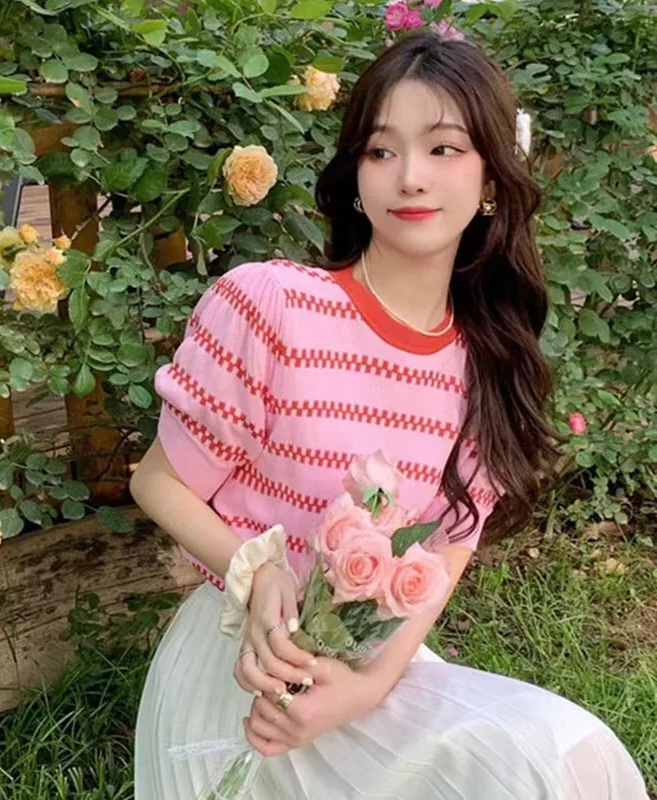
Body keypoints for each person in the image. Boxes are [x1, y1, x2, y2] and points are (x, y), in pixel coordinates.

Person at [131, 31, 648, 799]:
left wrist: (362, 692)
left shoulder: (486, 366)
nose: (410, 176)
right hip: (242, 677)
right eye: (382, 150)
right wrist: (259, 571)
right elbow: (158, 483)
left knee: (570, 759)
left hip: (367, 673)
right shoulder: (270, 306)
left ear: (492, 180)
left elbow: (437, 563)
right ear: (356, 176)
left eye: (444, 149)